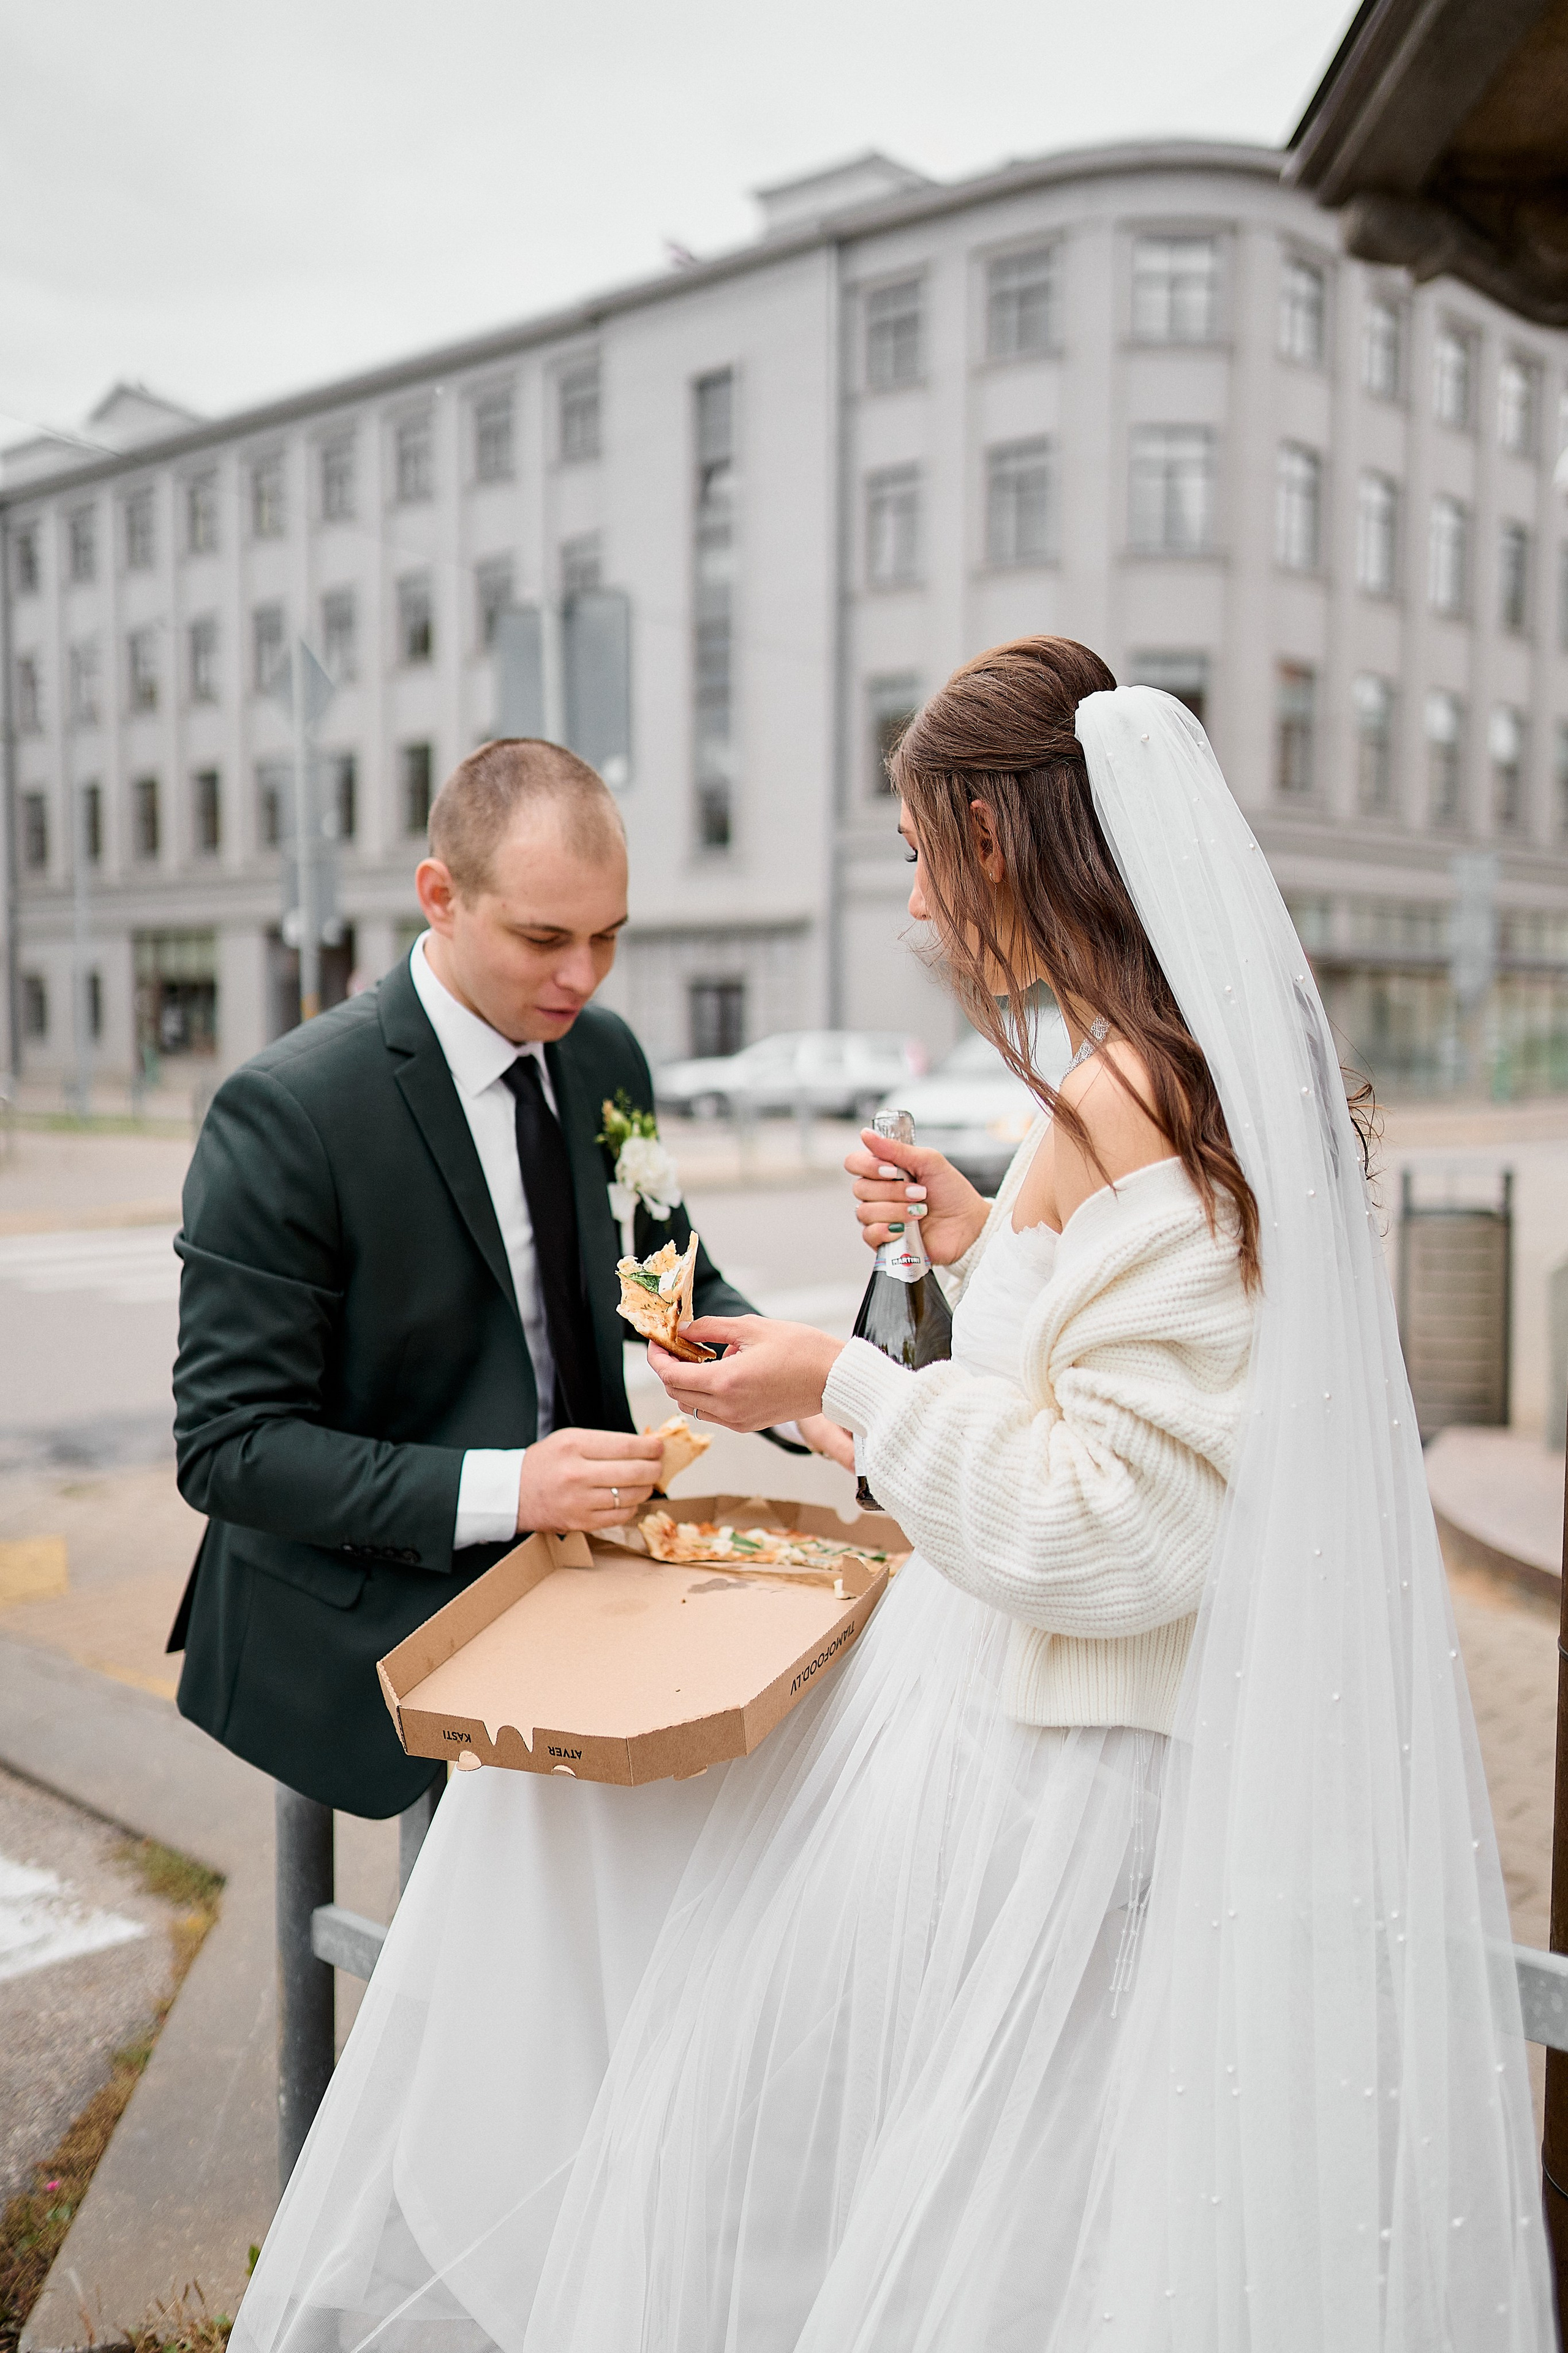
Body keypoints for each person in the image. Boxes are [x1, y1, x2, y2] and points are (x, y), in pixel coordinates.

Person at [235, 644, 1548, 2351]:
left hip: (1050, 1779)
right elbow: (1169, 1359)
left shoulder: (1123, 1096)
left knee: (779, 2149)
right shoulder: (1193, 1076)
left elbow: (1127, 1527)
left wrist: (844, 1389)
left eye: (926, 855)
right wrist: (988, 1234)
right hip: (1058, 1727)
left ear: (1001, 842)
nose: (919, 904)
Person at [168, 736, 834, 1822]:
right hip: (377, 1616)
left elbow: (670, 1279)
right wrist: (514, 1488)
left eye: (609, 938)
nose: (582, 974)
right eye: (545, 938)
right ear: (441, 896)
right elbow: (230, 1448)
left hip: (597, 1576)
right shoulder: (292, 1111)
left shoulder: (605, 1053)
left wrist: (815, 1403)